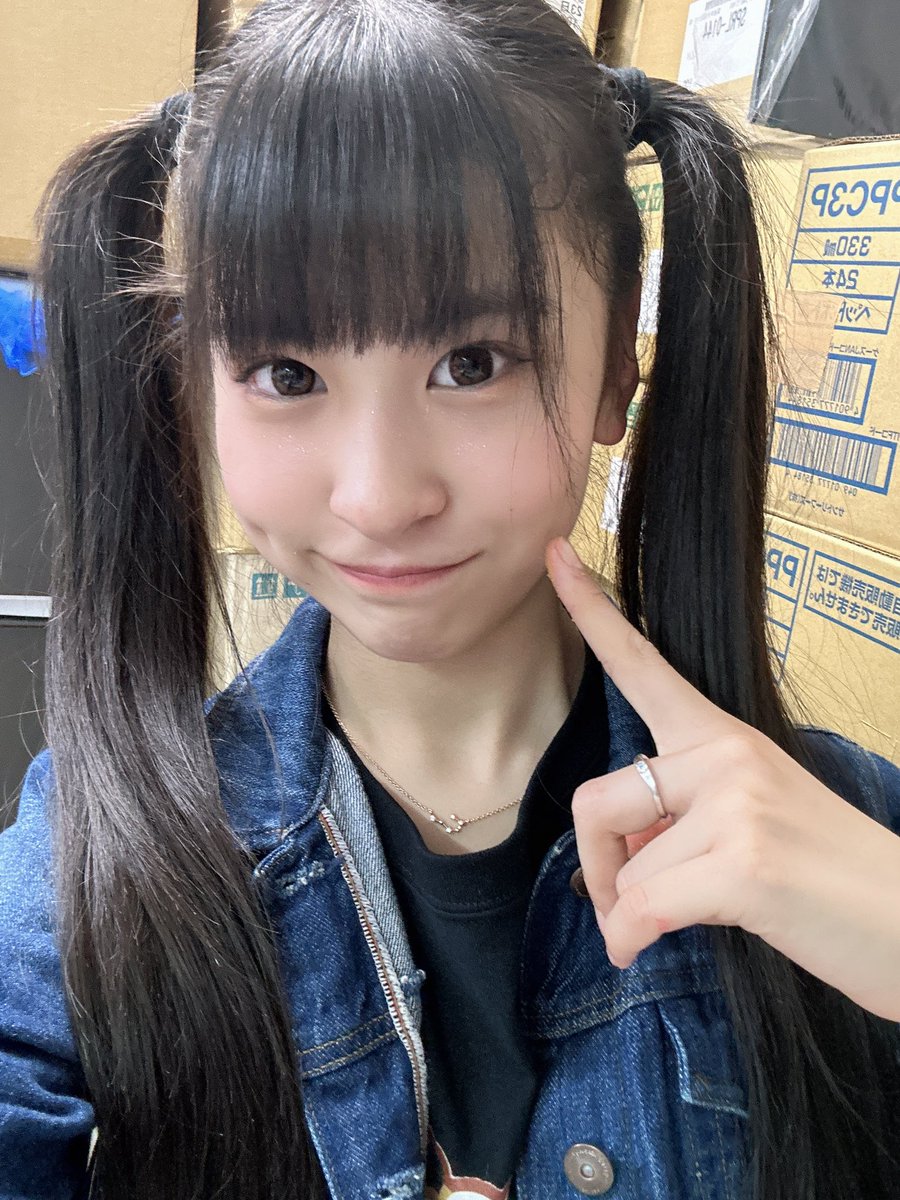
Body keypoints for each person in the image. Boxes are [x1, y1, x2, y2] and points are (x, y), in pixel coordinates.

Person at [1, 1, 898, 1198]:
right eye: (285, 373)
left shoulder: (847, 830)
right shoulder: (93, 853)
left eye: (471, 363)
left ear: (615, 364)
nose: (379, 497)